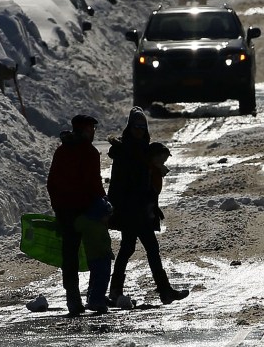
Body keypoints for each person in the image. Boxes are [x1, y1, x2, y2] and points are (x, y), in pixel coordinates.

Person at [107, 108, 189, 306]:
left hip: (141, 209)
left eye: (143, 127)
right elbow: (121, 184)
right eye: (136, 126)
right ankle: (161, 291)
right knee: (140, 249)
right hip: (130, 210)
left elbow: (145, 183)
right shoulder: (125, 151)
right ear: (130, 127)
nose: (140, 130)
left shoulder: (143, 149)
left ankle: (120, 290)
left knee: (134, 249)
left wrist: (152, 203)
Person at [47, 114, 107, 316]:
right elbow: (94, 182)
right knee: (98, 254)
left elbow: (52, 182)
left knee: (70, 255)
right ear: (84, 130)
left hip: (66, 211)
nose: (93, 132)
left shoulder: (62, 151)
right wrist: (103, 203)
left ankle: (73, 299)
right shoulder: (89, 152)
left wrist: (58, 207)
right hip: (86, 211)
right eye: (91, 129)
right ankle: (95, 297)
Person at [74, 197, 115, 314]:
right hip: (101, 256)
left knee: (95, 278)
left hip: (92, 257)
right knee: (102, 279)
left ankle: (92, 297)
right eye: (106, 216)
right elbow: (100, 243)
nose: (108, 219)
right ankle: (96, 300)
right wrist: (107, 252)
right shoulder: (96, 227)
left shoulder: (87, 223)